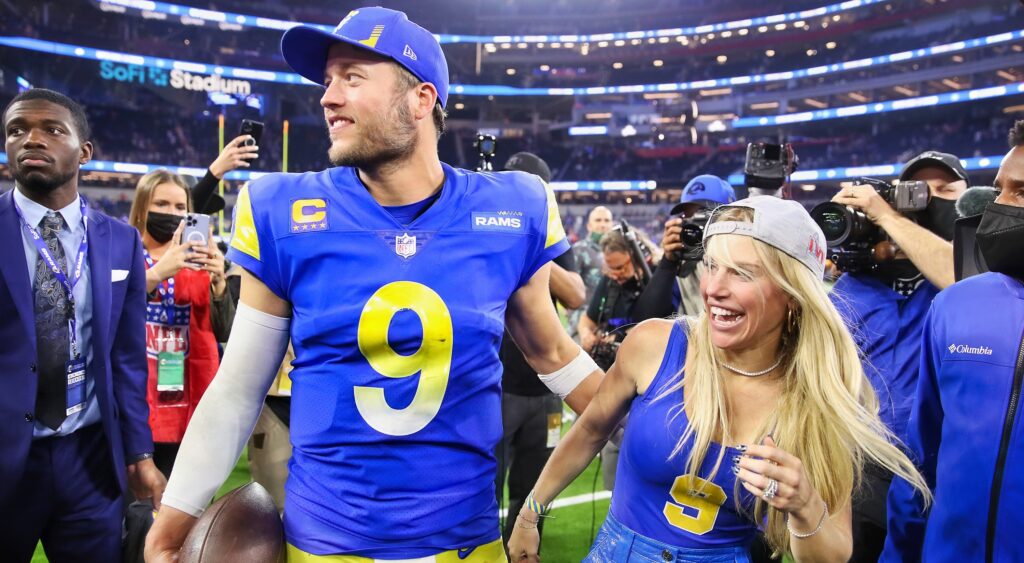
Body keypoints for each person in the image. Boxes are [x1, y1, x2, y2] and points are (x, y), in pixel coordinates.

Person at [145, 7, 602, 561]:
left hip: (467, 543)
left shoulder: (511, 207)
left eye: (352, 77)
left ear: (421, 99)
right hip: (324, 543)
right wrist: (171, 525)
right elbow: (240, 389)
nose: (328, 97)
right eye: (328, 79)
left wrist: (664, 421)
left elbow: (553, 353)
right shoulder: (284, 210)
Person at [507, 196, 931, 563]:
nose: (713, 288)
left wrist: (804, 507)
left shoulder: (820, 395)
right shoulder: (655, 343)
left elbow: (832, 554)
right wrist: (530, 514)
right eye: (711, 266)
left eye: (742, 273)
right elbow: (589, 430)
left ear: (793, 296)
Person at [0, 88, 165, 562]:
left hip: (91, 459)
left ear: (84, 151)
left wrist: (139, 454)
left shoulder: (121, 241)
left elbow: (128, 361)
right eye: (17, 130)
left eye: (51, 129)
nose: (31, 139)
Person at [883, 120, 1024, 561]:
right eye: (999, 189)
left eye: (1020, 192)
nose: (998, 205)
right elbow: (919, 460)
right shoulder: (955, 306)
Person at [828, 150, 968, 561]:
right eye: (922, 191)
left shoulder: (975, 277)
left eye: (947, 190)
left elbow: (959, 276)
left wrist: (890, 219)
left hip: (937, 471)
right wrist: (836, 236)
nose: (932, 199)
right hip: (859, 467)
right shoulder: (856, 284)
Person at [496, 152, 586, 550]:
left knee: (531, 494)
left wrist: (529, 245)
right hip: (499, 385)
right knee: (486, 487)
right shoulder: (489, 227)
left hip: (546, 389)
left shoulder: (548, 232)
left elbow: (576, 294)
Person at [127, 169, 235, 478]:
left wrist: (218, 283)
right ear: (142, 207)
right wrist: (157, 274)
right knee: (135, 512)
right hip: (136, 400)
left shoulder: (204, 259)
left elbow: (226, 330)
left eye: (179, 207)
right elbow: (109, 315)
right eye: (161, 204)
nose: (171, 213)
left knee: (184, 510)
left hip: (192, 397)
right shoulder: (123, 253)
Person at [633, 174, 737, 321]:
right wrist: (668, 262)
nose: (696, 225)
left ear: (730, 217)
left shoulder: (746, 259)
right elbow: (647, 320)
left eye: (703, 215)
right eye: (689, 217)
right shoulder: (683, 264)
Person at [569, 205, 613, 340]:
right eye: (598, 220)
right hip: (583, 320)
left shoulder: (619, 250)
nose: (603, 225)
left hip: (611, 320)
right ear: (589, 225)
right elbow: (569, 288)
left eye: (606, 220)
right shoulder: (579, 250)